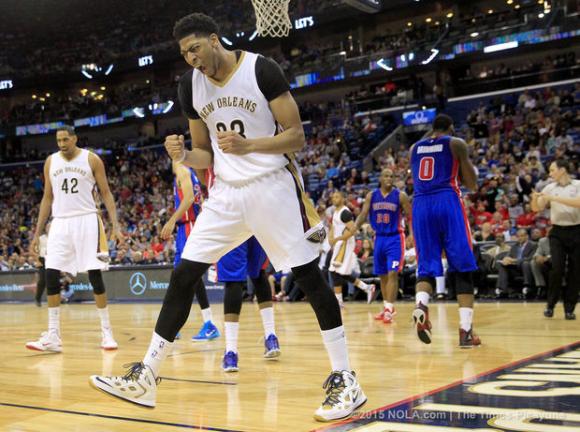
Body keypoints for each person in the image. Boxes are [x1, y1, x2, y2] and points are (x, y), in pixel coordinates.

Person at [90, 13, 365, 422]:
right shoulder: (190, 86)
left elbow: (297, 135)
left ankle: (346, 379)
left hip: (272, 185)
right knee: (185, 274)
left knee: (307, 276)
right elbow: (205, 153)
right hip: (226, 194)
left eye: (195, 48)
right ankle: (147, 374)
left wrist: (248, 143)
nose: (191, 59)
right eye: (184, 54)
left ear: (214, 40)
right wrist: (183, 155)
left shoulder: (261, 69)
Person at [26, 126, 123, 352]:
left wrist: (115, 225)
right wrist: (37, 232)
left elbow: (106, 193)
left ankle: (107, 333)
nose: (62, 144)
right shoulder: (50, 162)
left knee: (94, 275)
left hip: (87, 219)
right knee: (50, 273)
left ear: (75, 138)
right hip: (60, 222)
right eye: (58, 140)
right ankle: (53, 336)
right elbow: (47, 197)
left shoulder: (91, 159)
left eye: (65, 139)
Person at [409, 114, 481, 348]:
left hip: (420, 205)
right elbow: (471, 183)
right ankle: (466, 332)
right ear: (450, 128)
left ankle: (421, 306)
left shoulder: (414, 148)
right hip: (446, 201)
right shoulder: (455, 143)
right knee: (462, 267)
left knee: (426, 265)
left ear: (432, 128)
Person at [160, 161, 220, 341]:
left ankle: (208, 323)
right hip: (187, 228)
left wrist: (171, 221)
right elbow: (197, 198)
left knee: (183, 276)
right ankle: (178, 325)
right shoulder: (191, 171)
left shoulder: (182, 171)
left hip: (189, 227)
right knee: (186, 278)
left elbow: (188, 199)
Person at [354, 168, 411, 323]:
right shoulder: (372, 196)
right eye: (386, 175)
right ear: (380, 178)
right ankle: (387, 307)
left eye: (391, 176)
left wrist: (412, 235)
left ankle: (389, 309)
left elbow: (410, 216)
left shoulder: (401, 196)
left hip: (395, 238)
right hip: (379, 238)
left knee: (393, 273)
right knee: (383, 275)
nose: (389, 178)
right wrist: (354, 227)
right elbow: (363, 214)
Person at [218, 237, 281, 372]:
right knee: (259, 273)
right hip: (257, 223)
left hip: (233, 222)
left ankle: (231, 353)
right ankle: (271, 338)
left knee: (233, 280)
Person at [532, 159, 580, 320]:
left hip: (576, 230)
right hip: (557, 231)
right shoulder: (549, 187)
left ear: (563, 170)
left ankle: (569, 308)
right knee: (557, 268)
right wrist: (534, 198)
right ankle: (550, 305)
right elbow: (537, 208)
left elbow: (578, 203)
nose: (550, 173)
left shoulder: (577, 185)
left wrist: (553, 199)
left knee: (575, 271)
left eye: (553, 170)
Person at [328, 191, 375, 307]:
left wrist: (338, 238)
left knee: (334, 271)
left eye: (337, 196)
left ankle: (339, 301)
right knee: (338, 272)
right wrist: (330, 238)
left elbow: (353, 230)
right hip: (339, 244)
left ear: (343, 199)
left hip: (346, 244)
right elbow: (333, 227)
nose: (334, 199)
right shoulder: (336, 212)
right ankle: (367, 287)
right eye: (333, 197)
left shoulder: (345, 212)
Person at [494, 229, 537, 299]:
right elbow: (508, 255)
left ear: (527, 236)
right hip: (514, 268)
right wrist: (506, 259)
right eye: (518, 236)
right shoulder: (515, 246)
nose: (519, 238)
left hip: (525, 268)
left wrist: (515, 260)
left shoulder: (533, 245)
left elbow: (531, 258)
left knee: (525, 263)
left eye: (522, 236)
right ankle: (502, 290)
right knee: (503, 265)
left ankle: (527, 288)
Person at [33, 224, 49, 307]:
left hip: (53, 260)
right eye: (48, 227)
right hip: (42, 260)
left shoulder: (56, 238)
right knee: (42, 280)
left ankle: (56, 299)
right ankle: (37, 299)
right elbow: (35, 250)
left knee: (53, 280)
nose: (49, 228)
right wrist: (37, 260)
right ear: (45, 228)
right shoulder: (41, 238)